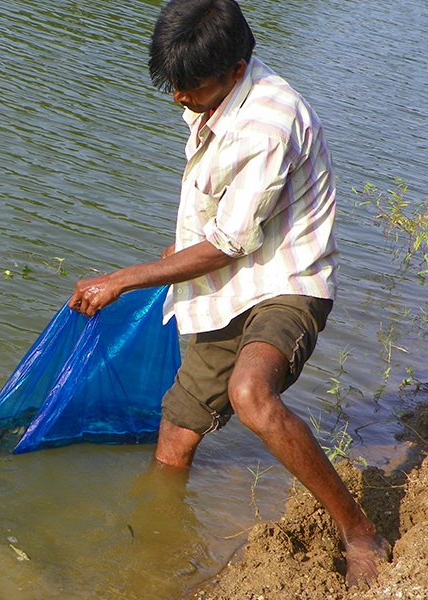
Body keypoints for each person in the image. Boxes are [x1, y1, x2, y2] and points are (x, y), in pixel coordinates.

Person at [68, 0, 390, 589]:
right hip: (223, 290)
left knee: (250, 394)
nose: (179, 97)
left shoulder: (268, 123)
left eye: (189, 86)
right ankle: (156, 560)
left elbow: (231, 242)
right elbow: (220, 211)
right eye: (173, 83)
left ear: (237, 69)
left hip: (286, 284)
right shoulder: (213, 96)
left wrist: (122, 278)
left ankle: (359, 530)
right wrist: (178, 253)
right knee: (174, 439)